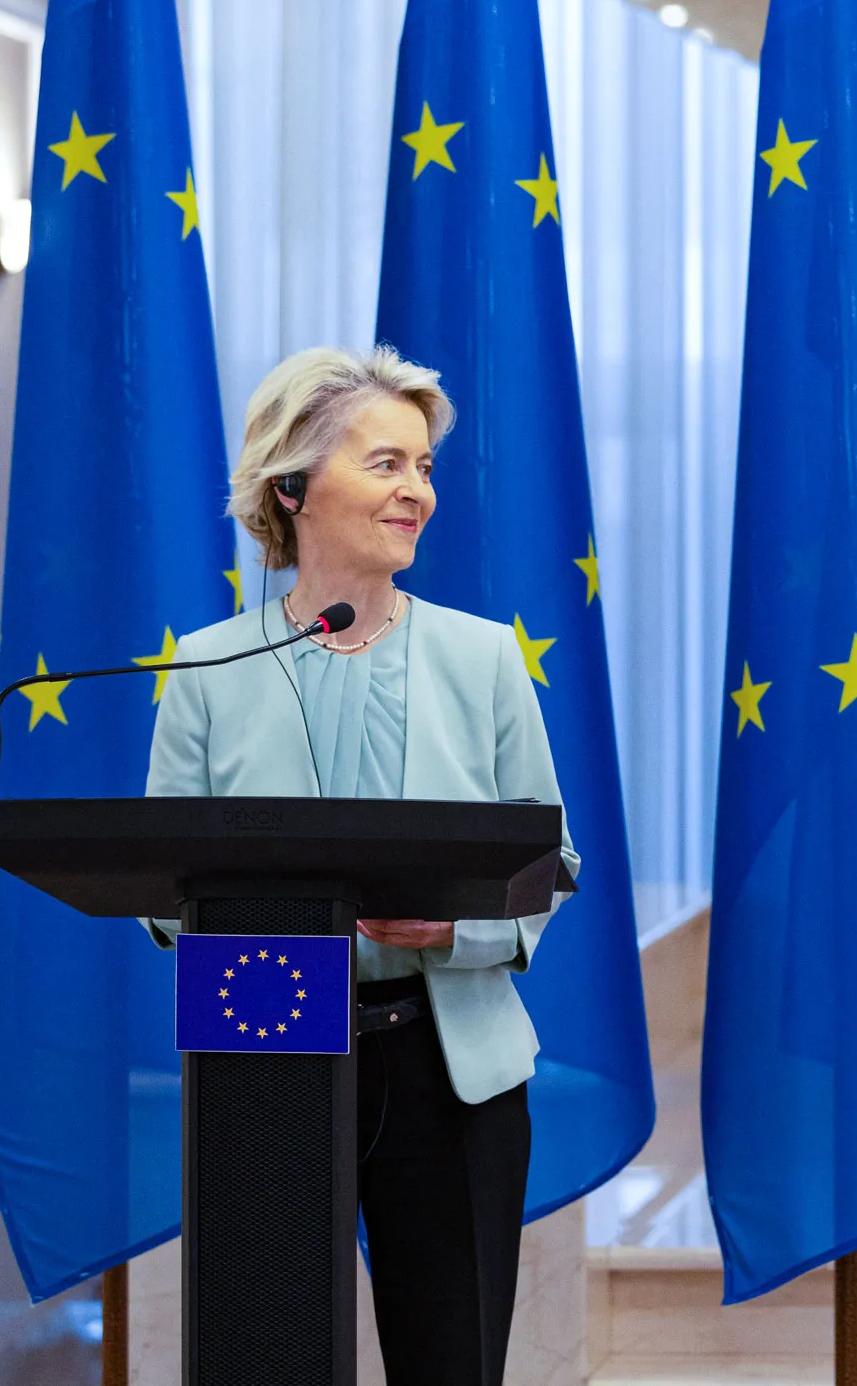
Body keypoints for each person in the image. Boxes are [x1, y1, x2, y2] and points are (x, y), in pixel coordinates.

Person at [143, 345, 575, 1386]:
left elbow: (548, 858)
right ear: (293, 487)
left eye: (423, 467)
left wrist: (458, 928)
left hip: (447, 1068)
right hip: (266, 1058)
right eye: (386, 464)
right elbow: (159, 886)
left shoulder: (484, 657)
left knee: (450, 1362)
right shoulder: (206, 667)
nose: (418, 491)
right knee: (266, 1360)